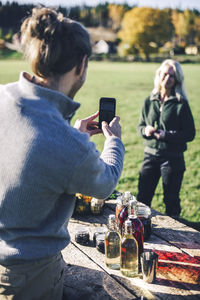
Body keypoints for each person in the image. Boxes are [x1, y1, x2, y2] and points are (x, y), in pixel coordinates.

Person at [0, 7, 125, 300]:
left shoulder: (3, 96)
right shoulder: (66, 144)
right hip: (29, 277)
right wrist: (114, 143)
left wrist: (71, 132)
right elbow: (105, 183)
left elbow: (28, 143)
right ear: (81, 65)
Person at [137, 59, 195, 218]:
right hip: (149, 156)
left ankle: (179, 238)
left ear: (176, 79)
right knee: (142, 199)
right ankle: (142, 231)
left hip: (172, 159)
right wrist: (145, 130)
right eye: (164, 74)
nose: (167, 78)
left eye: (171, 76)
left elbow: (190, 133)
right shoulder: (149, 100)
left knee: (171, 201)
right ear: (158, 75)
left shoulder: (181, 104)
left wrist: (166, 135)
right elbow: (140, 125)